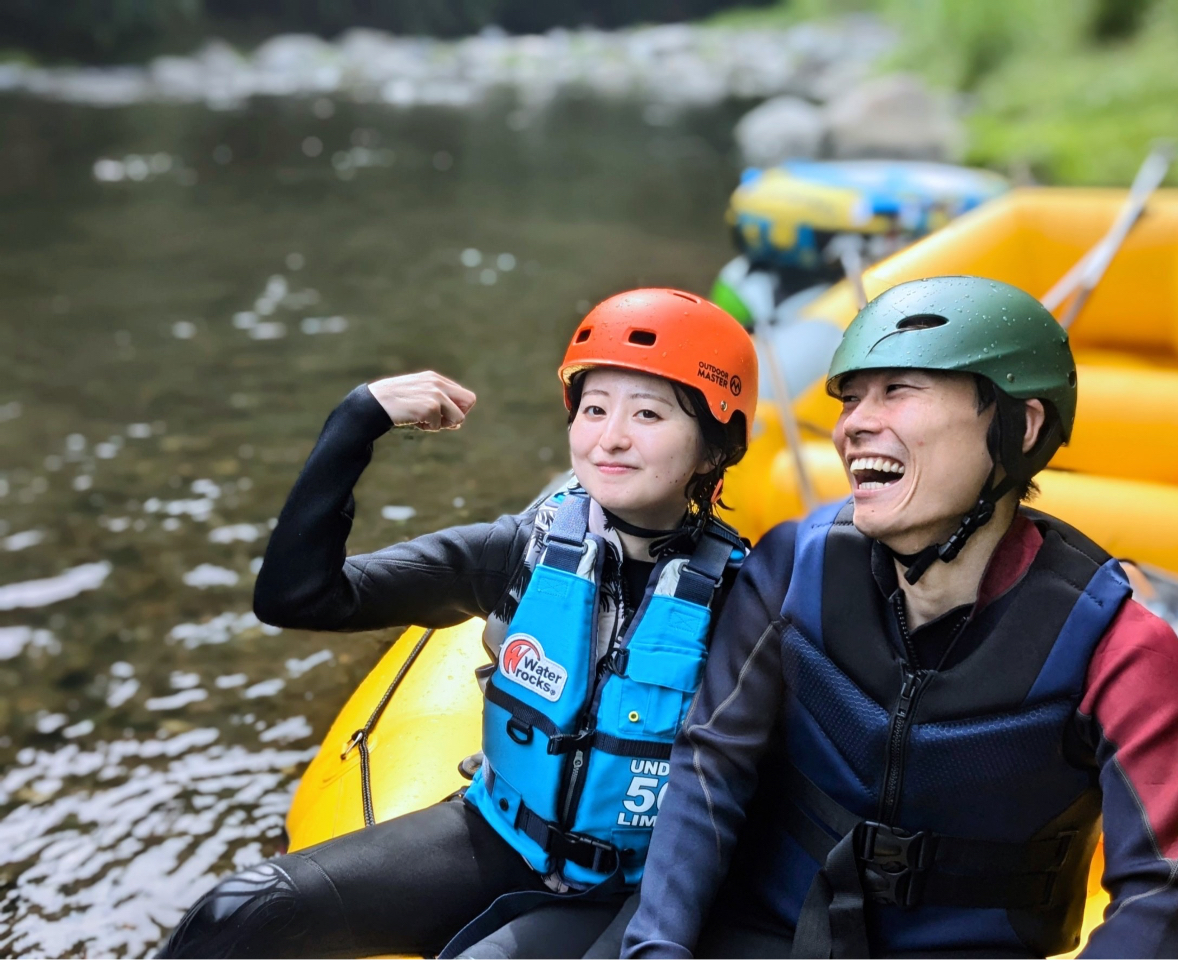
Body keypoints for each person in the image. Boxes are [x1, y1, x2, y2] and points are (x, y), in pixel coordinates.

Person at [158, 288, 759, 959]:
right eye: (594, 408)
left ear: (711, 452)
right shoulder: (520, 552)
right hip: (499, 833)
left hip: (640, 887)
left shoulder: (749, 598)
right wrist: (357, 422)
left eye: (647, 413)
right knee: (240, 910)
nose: (610, 437)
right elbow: (298, 598)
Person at [620, 276, 1178, 959]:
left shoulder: (1121, 648)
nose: (853, 425)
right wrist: (658, 948)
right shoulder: (788, 570)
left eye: (898, 390)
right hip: (763, 936)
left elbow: (1161, 896)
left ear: (1022, 425)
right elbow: (708, 770)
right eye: (849, 399)